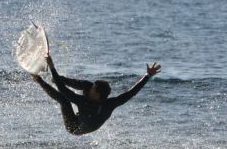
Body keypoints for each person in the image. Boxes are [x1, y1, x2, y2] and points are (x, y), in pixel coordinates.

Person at [31, 54, 161, 135]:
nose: (91, 90)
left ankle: (39, 80)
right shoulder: (111, 102)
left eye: (93, 89)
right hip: (88, 119)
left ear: (97, 94)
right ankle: (60, 78)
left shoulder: (84, 102)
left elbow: (63, 91)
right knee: (87, 84)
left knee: (64, 100)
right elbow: (131, 92)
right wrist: (148, 75)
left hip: (75, 127)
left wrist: (52, 67)